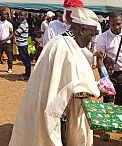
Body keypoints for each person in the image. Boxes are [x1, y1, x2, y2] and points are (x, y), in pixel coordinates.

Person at [9, 8, 104, 146]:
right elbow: (67, 90)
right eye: (92, 34)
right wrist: (96, 90)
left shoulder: (63, 43)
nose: (92, 39)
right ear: (82, 30)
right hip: (58, 115)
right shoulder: (64, 49)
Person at [97, 11, 122, 106]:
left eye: (119, 24)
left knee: (120, 100)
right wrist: (104, 78)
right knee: (108, 101)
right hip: (109, 75)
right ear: (109, 23)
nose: (116, 27)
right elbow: (99, 59)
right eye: (113, 25)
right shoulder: (103, 38)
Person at [14, 11, 31, 80]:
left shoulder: (23, 24)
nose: (20, 16)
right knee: (24, 58)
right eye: (20, 15)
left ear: (26, 16)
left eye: (22, 15)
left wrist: (15, 30)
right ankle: (26, 73)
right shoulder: (21, 23)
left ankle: (27, 75)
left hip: (22, 44)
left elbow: (16, 33)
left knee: (25, 59)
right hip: (21, 43)